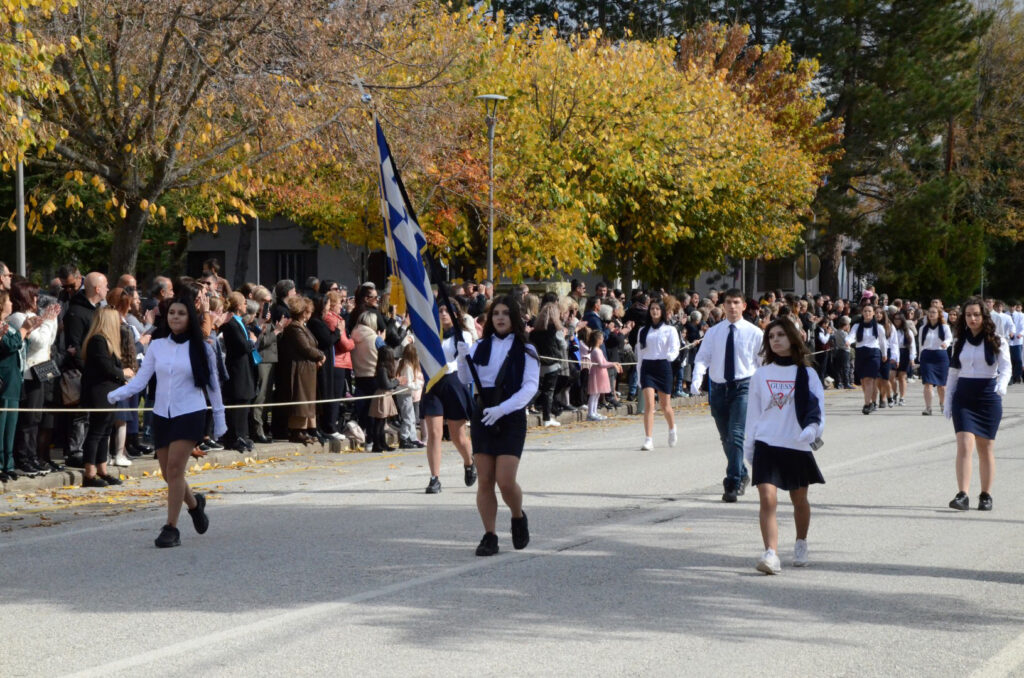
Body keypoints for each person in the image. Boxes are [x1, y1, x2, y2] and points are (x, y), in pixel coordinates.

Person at [107, 296, 225, 547]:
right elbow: (141, 381)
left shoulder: (202, 347)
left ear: (189, 317)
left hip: (190, 413)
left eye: (181, 313)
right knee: (167, 475)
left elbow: (213, 386)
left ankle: (171, 528)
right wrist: (117, 394)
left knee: (174, 470)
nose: (175, 317)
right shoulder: (157, 346)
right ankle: (195, 504)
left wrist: (219, 417)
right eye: (172, 313)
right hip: (162, 414)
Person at [456, 295, 539, 556]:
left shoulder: (526, 349)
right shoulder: (481, 346)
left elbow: (530, 387)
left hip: (510, 414)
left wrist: (503, 409)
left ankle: (517, 515)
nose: (500, 318)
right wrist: (461, 357)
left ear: (513, 318)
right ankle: (489, 535)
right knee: (485, 481)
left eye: (505, 313)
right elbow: (466, 377)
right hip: (484, 413)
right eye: (495, 314)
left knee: (505, 480)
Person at [744, 318, 826, 574]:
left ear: (792, 337)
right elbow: (753, 414)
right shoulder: (761, 374)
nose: (775, 340)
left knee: (799, 500)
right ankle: (771, 553)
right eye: (771, 336)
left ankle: (801, 542)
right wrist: (749, 446)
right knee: (767, 499)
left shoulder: (807, 373)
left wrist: (813, 430)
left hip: (796, 445)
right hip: (767, 444)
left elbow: (818, 410)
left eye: (780, 334)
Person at [691, 289, 763, 502]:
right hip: (719, 387)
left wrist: (763, 391)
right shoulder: (714, 332)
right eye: (728, 303)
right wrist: (697, 378)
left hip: (743, 386)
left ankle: (732, 482)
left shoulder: (754, 333)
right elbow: (703, 357)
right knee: (726, 437)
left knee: (737, 433)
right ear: (723, 306)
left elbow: (762, 364)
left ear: (743, 306)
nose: (732, 307)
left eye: (736, 302)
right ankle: (740, 471)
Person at [944, 298, 1010, 512]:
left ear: (984, 317)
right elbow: (954, 372)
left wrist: (1001, 385)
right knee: (964, 444)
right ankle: (962, 495)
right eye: (968, 315)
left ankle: (985, 495)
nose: (972, 319)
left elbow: (1006, 367)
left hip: (988, 396)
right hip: (964, 396)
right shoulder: (959, 341)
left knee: (985, 448)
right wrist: (947, 400)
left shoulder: (997, 340)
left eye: (976, 315)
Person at [420, 302, 476, 494]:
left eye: (446, 311)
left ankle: (469, 462)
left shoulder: (463, 335)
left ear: (455, 314)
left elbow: (463, 358)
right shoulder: (430, 335)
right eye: (440, 311)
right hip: (432, 383)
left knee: (457, 436)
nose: (443, 314)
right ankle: (434, 478)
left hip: (453, 382)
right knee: (434, 433)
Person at [7, 280, 60, 475]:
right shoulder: (18, 317)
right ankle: (23, 457)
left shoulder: (32, 316)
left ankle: (32, 455)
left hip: (43, 369)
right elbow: (39, 342)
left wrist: (50, 320)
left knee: (37, 418)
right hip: (29, 373)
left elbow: (49, 340)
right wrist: (48, 320)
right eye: (34, 295)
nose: (37, 299)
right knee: (28, 419)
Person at [80, 308, 132, 487]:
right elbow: (105, 367)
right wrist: (122, 373)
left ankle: (102, 469)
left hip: (109, 391)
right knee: (97, 431)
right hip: (99, 392)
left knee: (106, 431)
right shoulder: (98, 340)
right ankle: (90, 473)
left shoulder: (108, 341)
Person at [276, 296, 325, 445]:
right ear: (304, 312)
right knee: (300, 399)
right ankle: (297, 430)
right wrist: (321, 355)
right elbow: (305, 348)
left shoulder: (302, 326)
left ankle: (305, 429)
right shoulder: (294, 328)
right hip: (299, 369)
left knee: (307, 399)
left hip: (307, 369)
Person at [636, 300, 680, 450]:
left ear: (662, 312)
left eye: (657, 309)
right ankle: (648, 439)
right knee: (649, 404)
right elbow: (640, 354)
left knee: (665, 405)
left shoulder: (670, 330)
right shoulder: (643, 330)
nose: (654, 311)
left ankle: (672, 428)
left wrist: (670, 356)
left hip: (663, 366)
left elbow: (675, 348)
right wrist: (639, 373)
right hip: (647, 367)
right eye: (652, 309)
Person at [219, 292, 259, 452]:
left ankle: (242, 435)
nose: (246, 306)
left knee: (244, 401)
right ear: (237, 306)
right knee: (237, 400)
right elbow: (242, 346)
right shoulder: (231, 324)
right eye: (243, 303)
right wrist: (252, 341)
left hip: (245, 366)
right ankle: (233, 437)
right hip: (236, 368)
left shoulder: (240, 322)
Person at [1, 290, 29, 481]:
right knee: (1, 424)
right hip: (3, 379)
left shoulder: (8, 325)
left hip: (13, 380)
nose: (12, 304)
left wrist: (27, 330)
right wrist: (24, 330)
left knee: (11, 424)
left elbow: (17, 343)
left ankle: (8, 464)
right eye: (9, 300)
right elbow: (9, 345)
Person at [845, 304, 888, 415]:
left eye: (869, 311)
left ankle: (867, 404)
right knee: (864, 382)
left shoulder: (879, 327)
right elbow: (852, 335)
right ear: (862, 312)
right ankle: (873, 401)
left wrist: (884, 354)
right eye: (865, 311)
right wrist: (848, 341)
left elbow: (883, 342)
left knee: (869, 380)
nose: (867, 313)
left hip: (874, 354)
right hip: (861, 353)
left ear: (873, 313)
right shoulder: (857, 326)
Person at [918, 306, 951, 416]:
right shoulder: (923, 328)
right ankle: (928, 408)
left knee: (942, 385)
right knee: (928, 383)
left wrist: (945, 343)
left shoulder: (944, 327)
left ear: (939, 314)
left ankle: (943, 404)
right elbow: (920, 343)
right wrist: (919, 357)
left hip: (940, 355)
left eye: (934, 312)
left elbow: (949, 338)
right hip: (927, 356)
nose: (931, 314)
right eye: (930, 312)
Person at [583, 328, 621, 421]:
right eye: (602, 338)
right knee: (594, 394)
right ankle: (590, 413)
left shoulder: (598, 350)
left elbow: (605, 362)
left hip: (600, 373)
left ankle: (594, 412)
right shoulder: (595, 351)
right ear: (598, 339)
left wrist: (614, 363)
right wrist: (613, 364)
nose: (603, 339)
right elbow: (601, 364)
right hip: (597, 373)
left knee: (597, 394)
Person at [395, 343, 424, 449]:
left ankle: (412, 437)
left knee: (410, 416)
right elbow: (407, 383)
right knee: (407, 417)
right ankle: (404, 438)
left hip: (405, 393)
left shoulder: (403, 363)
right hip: (404, 393)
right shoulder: (407, 366)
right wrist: (419, 385)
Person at [891, 313, 916, 406]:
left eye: (899, 319)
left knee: (902, 377)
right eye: (895, 319)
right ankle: (895, 393)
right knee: (891, 376)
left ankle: (902, 397)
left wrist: (912, 358)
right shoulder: (891, 330)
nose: (897, 321)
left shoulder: (907, 331)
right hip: (893, 353)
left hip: (904, 353)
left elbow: (912, 345)